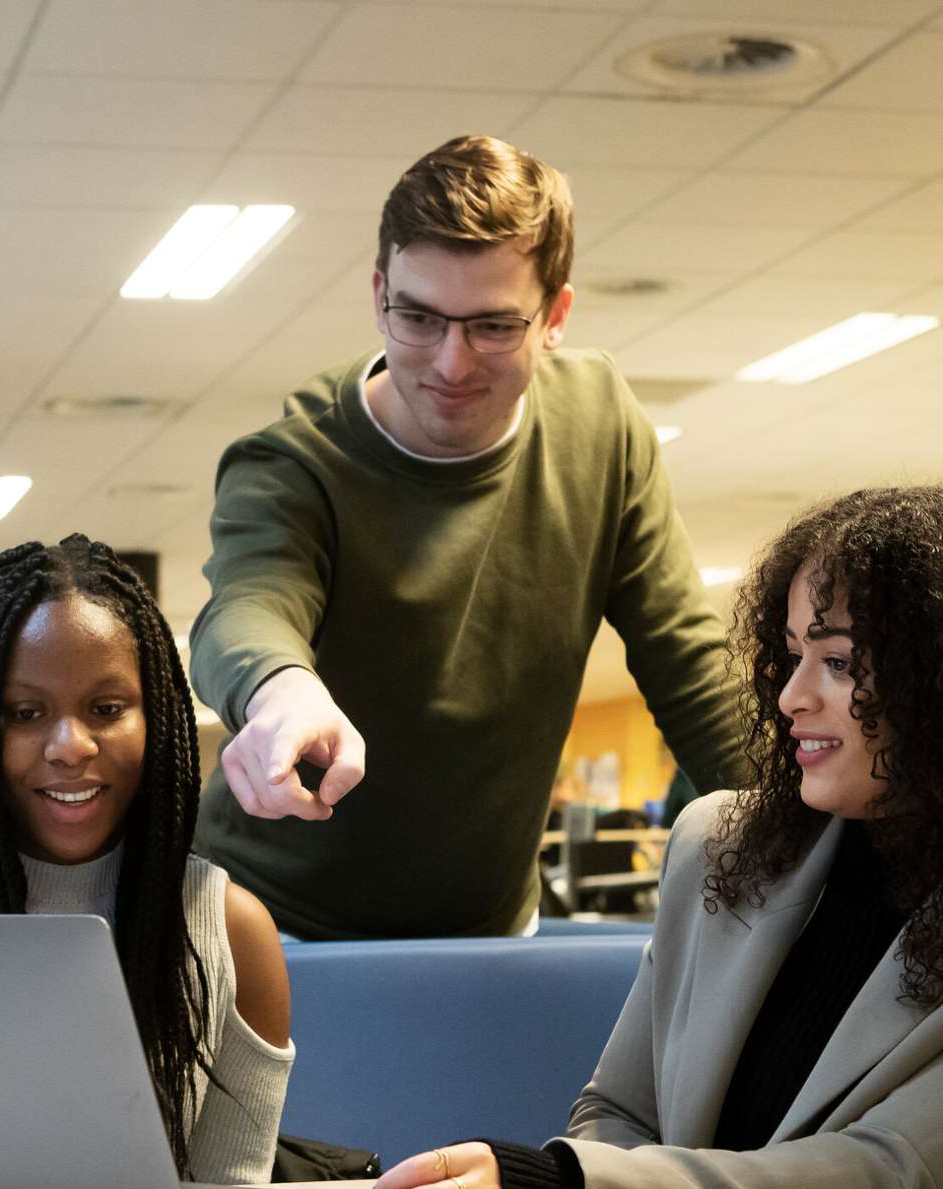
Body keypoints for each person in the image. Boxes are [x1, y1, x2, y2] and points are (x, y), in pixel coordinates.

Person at [372, 486, 943, 1189]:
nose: (791, 696)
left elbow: (887, 1186)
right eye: (790, 656)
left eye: (837, 661)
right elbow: (618, 1107)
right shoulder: (722, 845)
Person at [189, 134, 745, 940]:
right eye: (417, 318)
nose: (451, 363)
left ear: (555, 314)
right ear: (379, 294)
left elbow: (689, 664)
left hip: (488, 926)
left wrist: (811, 835)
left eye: (491, 326)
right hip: (276, 927)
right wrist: (281, 689)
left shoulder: (600, 424)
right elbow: (247, 608)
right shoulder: (297, 460)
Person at [0, 534, 293, 1182]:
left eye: (106, 708)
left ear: (157, 716)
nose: (70, 746)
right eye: (24, 713)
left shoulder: (235, 934)